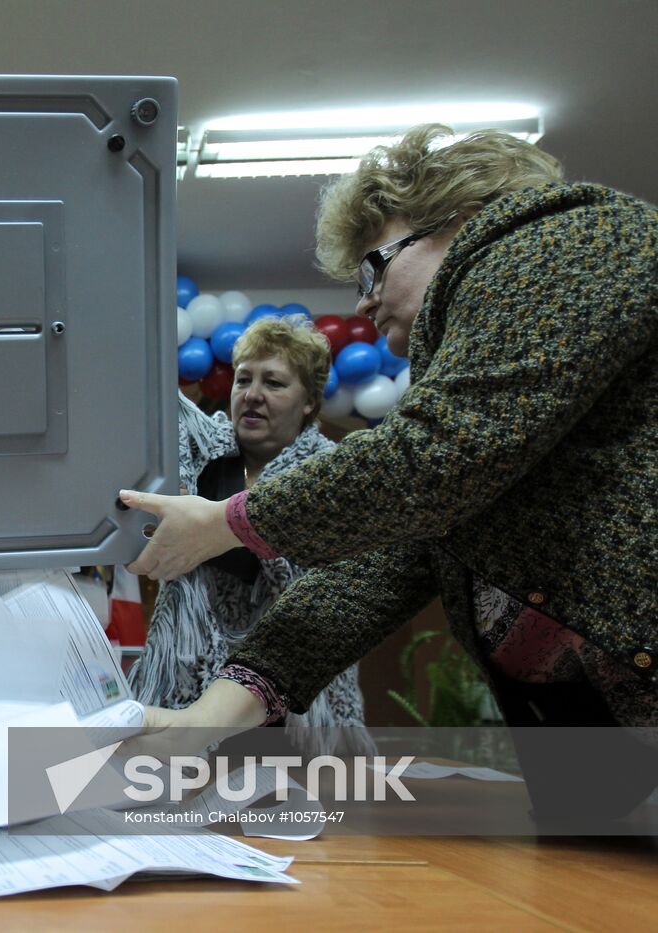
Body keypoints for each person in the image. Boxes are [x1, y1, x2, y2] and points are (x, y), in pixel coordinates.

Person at [121, 125, 657, 818]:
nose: (364, 303)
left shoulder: (567, 239)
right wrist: (211, 715)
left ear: (458, 215)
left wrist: (232, 521)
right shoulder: (496, 409)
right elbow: (377, 567)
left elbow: (438, 455)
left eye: (374, 267)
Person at [128, 317, 372, 759]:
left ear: (309, 405)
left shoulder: (335, 475)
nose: (252, 393)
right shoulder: (195, 457)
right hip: (187, 683)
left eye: (274, 382)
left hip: (292, 701)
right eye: (244, 379)